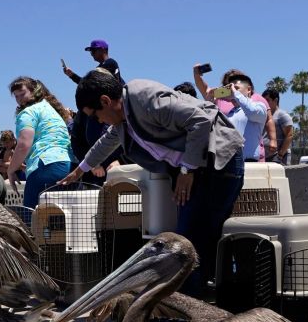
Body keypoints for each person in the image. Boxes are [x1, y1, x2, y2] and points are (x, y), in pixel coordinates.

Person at [59, 71, 245, 298]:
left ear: (106, 101)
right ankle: (190, 306)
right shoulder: (123, 119)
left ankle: (189, 309)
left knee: (191, 241)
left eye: (96, 115)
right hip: (194, 169)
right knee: (189, 239)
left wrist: (187, 170)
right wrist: (80, 171)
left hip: (218, 162)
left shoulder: (144, 98)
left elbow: (199, 120)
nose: (98, 121)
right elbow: (106, 142)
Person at [7, 77, 75, 208]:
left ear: (34, 91)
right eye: (16, 96)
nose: (19, 98)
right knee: (59, 219)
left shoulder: (28, 113)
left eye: (22, 93)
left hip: (45, 166)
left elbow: (23, 145)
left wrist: (11, 170)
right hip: (68, 165)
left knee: (32, 216)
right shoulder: (50, 109)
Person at [194, 66, 277, 161]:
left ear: (248, 88)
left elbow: (266, 118)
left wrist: (273, 140)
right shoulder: (221, 100)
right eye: (227, 84)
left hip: (250, 157)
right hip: (228, 158)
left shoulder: (257, 100)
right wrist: (197, 76)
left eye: (235, 85)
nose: (230, 88)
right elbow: (206, 92)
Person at [262, 89, 295, 165]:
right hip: (265, 157)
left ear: (275, 100)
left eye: (267, 100)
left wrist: (280, 155)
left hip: (277, 157)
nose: (264, 103)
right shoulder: (264, 115)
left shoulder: (282, 115)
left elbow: (289, 135)